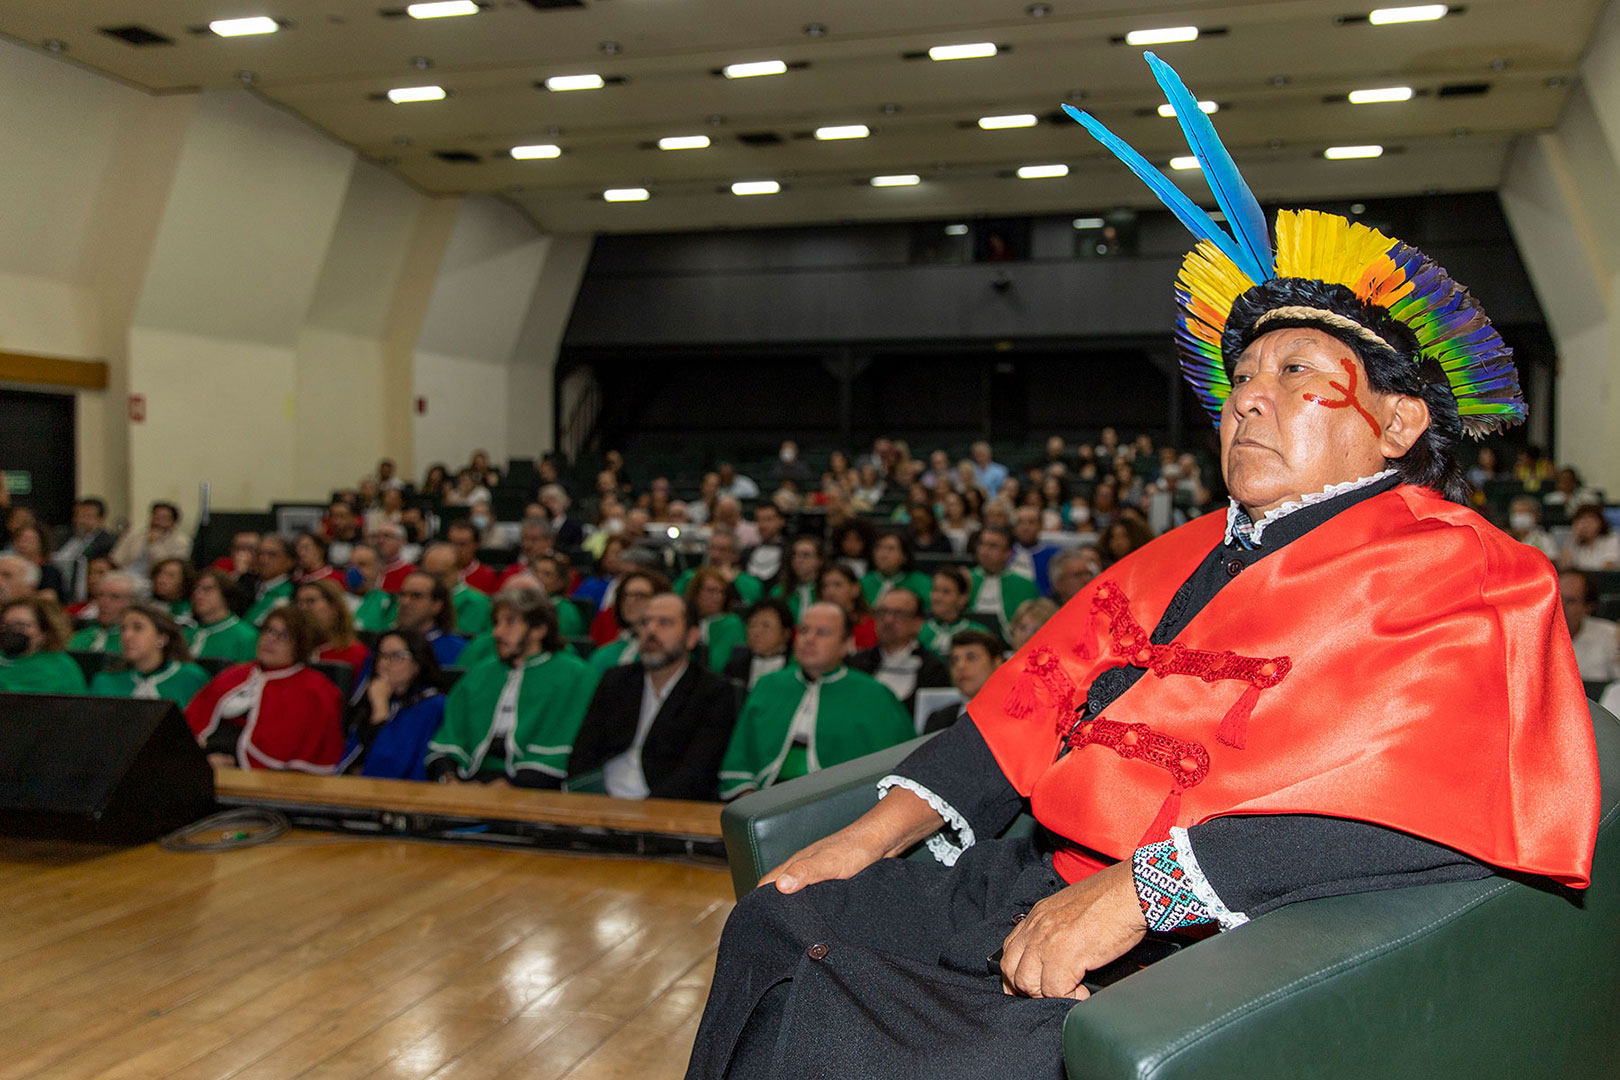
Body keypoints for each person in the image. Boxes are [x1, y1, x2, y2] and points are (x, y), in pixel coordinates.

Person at [684, 61, 1601, 1078]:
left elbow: (1446, 810)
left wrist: (1144, 890)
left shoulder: (1469, 574)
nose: (1248, 398)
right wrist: (873, 834)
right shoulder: (1184, 550)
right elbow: (1022, 710)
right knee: (777, 926)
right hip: (1022, 876)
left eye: (1294, 373)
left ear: (1397, 421)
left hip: (1193, 935)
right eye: (1242, 377)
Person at [718, 602, 915, 799]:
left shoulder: (875, 695)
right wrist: (751, 806)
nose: (809, 639)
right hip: (764, 802)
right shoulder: (768, 686)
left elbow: (903, 769)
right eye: (804, 630)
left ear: (845, 644)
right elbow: (738, 764)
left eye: (822, 633)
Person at [569, 592, 740, 800]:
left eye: (664, 623)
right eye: (645, 622)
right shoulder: (616, 680)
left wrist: (647, 811)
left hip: (665, 808)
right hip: (600, 800)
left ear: (691, 637)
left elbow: (697, 773)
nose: (651, 630)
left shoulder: (713, 692)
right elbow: (583, 753)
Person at [426, 586, 600, 787]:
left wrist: (508, 786)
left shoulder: (576, 675)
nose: (497, 632)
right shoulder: (481, 672)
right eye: (496, 623)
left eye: (510, 622)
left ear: (539, 629)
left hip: (535, 788)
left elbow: (566, 754)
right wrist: (449, 778)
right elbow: (447, 740)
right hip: (471, 779)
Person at [184, 606, 346, 771]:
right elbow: (194, 721)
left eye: (283, 636)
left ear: (301, 645)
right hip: (204, 758)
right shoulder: (235, 673)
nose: (270, 639)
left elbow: (296, 749)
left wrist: (227, 762)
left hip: (254, 773)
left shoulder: (314, 688)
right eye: (268, 630)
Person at [343, 629, 448, 781]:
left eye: (396, 656)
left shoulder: (433, 706)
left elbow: (390, 766)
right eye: (381, 656)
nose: (384, 664)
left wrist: (380, 710)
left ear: (417, 664)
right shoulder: (375, 700)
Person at [849, 585, 950, 716]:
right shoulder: (855, 664)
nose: (888, 620)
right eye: (882, 612)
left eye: (899, 614)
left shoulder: (933, 670)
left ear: (918, 623)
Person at [89, 603, 209, 707]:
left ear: (161, 637)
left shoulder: (190, 678)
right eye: (123, 629)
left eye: (138, 628)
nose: (127, 636)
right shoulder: (104, 681)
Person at [0, 595, 87, 693]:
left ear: (45, 632)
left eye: (21, 625)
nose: (11, 630)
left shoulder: (58, 666)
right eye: (5, 625)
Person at [922, 630, 1004, 734]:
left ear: (997, 663)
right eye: (954, 661)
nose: (960, 666)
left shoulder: (1018, 716)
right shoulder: (938, 721)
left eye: (971, 657)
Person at [967, 526, 1040, 640]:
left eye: (993, 546)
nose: (985, 551)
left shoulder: (1025, 585)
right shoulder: (965, 578)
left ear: (1008, 553)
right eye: (982, 544)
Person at [588, 569, 666, 671]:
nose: (630, 601)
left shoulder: (669, 654)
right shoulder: (603, 655)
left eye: (640, 596)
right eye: (625, 596)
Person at [51, 497, 118, 603]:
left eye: (87, 516)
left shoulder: (108, 541)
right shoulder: (61, 536)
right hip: (59, 590)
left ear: (100, 519)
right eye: (78, 515)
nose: (80, 520)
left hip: (85, 594)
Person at [394, 570, 467, 667]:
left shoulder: (458, 650)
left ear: (436, 605)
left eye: (416, 596)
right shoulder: (386, 645)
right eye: (403, 595)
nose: (405, 602)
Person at [673, 529, 764, 606]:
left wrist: (732, 585)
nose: (715, 555)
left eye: (723, 550)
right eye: (712, 548)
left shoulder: (751, 584)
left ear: (735, 554)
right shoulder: (689, 577)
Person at [296, 579, 370, 673]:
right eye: (299, 602)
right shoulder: (290, 653)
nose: (303, 608)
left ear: (335, 607)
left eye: (311, 601)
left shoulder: (357, 654)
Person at [186, 569, 259, 662]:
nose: (197, 594)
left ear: (226, 594)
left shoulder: (246, 636)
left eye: (207, 589)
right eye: (195, 589)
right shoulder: (186, 634)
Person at [421, 542, 492, 637]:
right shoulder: (414, 595)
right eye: (428, 575)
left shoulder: (475, 601)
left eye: (440, 575)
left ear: (457, 570)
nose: (433, 581)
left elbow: (462, 639)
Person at [1560, 570, 1620, 684]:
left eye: (1571, 601)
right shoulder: (1527, 634)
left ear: (1588, 607)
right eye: (1557, 597)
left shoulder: (1610, 636)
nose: (1560, 606)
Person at [922, 566, 997, 654]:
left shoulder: (979, 634)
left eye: (946, 592)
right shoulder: (917, 631)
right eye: (935, 590)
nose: (938, 597)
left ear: (962, 598)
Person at [686, 567, 748, 673]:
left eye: (722, 592)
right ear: (696, 593)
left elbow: (716, 664)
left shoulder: (732, 623)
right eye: (710, 591)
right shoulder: (684, 621)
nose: (718, 597)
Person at [724, 598, 795, 691]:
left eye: (766, 625)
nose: (757, 632)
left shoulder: (796, 669)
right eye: (752, 625)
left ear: (786, 633)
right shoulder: (735, 668)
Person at [110, 501, 191, 578]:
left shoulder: (181, 542)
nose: (158, 522)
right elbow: (116, 558)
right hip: (126, 574)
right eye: (156, 517)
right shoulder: (134, 534)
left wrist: (154, 544)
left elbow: (169, 568)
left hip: (156, 578)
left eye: (164, 518)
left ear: (173, 523)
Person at [860, 533, 932, 613]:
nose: (883, 554)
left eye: (891, 549)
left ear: (904, 556)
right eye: (878, 548)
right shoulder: (863, 583)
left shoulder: (923, 583)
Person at [69, 571, 138, 653]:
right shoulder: (79, 638)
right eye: (100, 595)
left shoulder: (135, 642)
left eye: (115, 597)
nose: (103, 602)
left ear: (133, 603)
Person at [815, 564, 877, 652]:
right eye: (825, 586)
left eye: (838, 585)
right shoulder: (814, 626)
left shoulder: (871, 626)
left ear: (855, 589)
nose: (830, 591)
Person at [244, 534, 296, 627]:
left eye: (272, 554)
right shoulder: (246, 587)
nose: (263, 560)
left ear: (289, 561)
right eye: (259, 554)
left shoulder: (294, 593)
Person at [4, 523, 65, 600]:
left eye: (29, 540)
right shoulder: (8, 569)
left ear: (41, 543)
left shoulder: (49, 571)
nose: (22, 544)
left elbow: (49, 596)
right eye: (19, 540)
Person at [1008, 507, 1060, 596]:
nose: (1025, 527)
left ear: (1040, 525)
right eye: (1020, 522)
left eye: (1031, 522)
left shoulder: (1055, 555)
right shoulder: (1004, 553)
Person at [772, 536, 825, 622]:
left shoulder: (827, 590)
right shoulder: (779, 592)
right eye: (794, 555)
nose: (798, 560)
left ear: (819, 560)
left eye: (806, 555)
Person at [1559, 504, 1620, 572]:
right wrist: (1572, 540)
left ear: (1600, 523)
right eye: (1581, 522)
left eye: (1589, 521)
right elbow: (1563, 568)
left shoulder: (1611, 538)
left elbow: (1608, 567)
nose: (1585, 526)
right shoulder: (1573, 541)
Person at [447, 519, 499, 595]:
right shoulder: (439, 573)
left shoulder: (488, 576)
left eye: (462, 544)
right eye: (452, 543)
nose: (456, 549)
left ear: (475, 545)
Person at [371, 523, 417, 593]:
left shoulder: (410, 572)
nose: (380, 541)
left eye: (387, 536)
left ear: (402, 541)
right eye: (377, 536)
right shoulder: (367, 567)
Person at [149, 558, 196, 622]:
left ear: (184, 582)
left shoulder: (192, 610)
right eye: (159, 573)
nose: (161, 580)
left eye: (170, 576)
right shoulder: (146, 601)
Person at [324, 499, 363, 567]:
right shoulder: (324, 545)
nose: (336, 521)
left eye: (342, 516)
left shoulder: (363, 544)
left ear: (354, 519)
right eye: (333, 516)